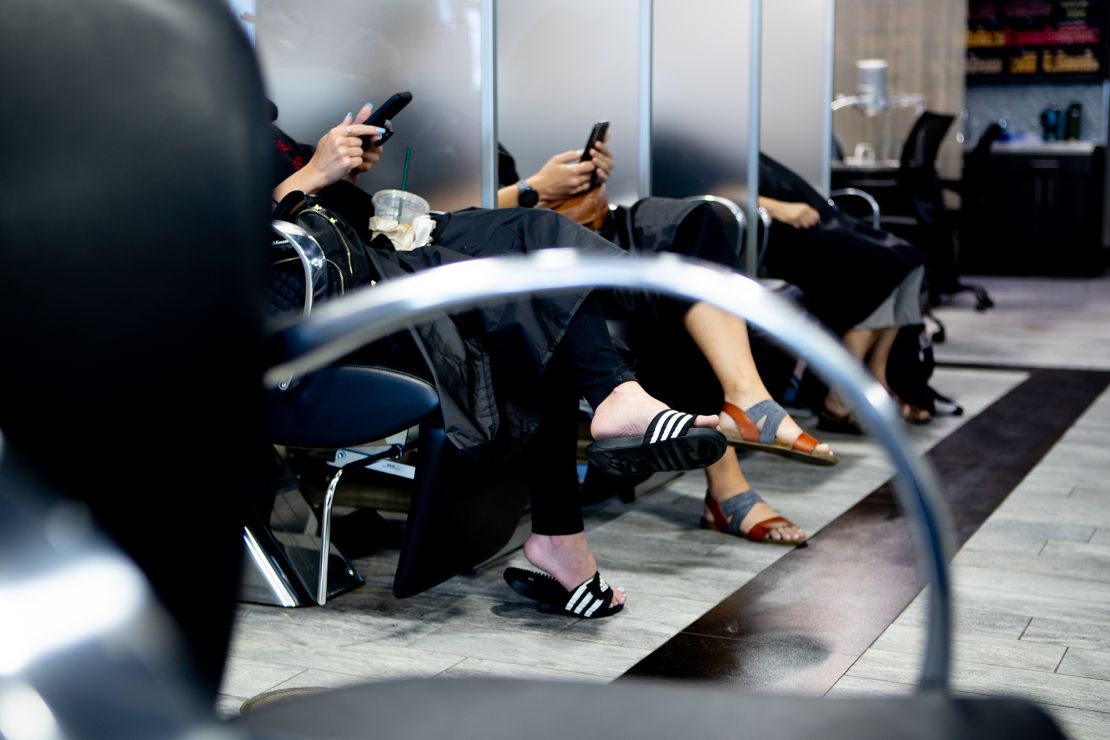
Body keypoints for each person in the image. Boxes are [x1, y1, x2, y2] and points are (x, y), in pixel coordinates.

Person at [269, 103, 728, 618]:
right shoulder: (200, 148)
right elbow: (239, 245)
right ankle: (608, 416)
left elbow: (313, 209)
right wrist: (312, 174)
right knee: (535, 278)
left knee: (539, 260)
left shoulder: (261, 131)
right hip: (335, 311)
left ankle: (583, 481)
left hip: (383, 255)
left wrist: (341, 170)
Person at [498, 135, 839, 547]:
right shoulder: (423, 132)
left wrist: (575, 176)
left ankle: (747, 396)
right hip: (509, 255)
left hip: (562, 227)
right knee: (676, 299)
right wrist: (531, 190)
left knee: (694, 221)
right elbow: (433, 216)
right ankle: (729, 482)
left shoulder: (467, 118)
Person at [756, 152, 931, 428]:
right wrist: (775, 207)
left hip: (812, 225)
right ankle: (841, 395)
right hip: (769, 237)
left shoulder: (734, 134)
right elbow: (705, 188)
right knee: (881, 268)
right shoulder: (692, 140)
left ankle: (875, 376)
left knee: (908, 257)